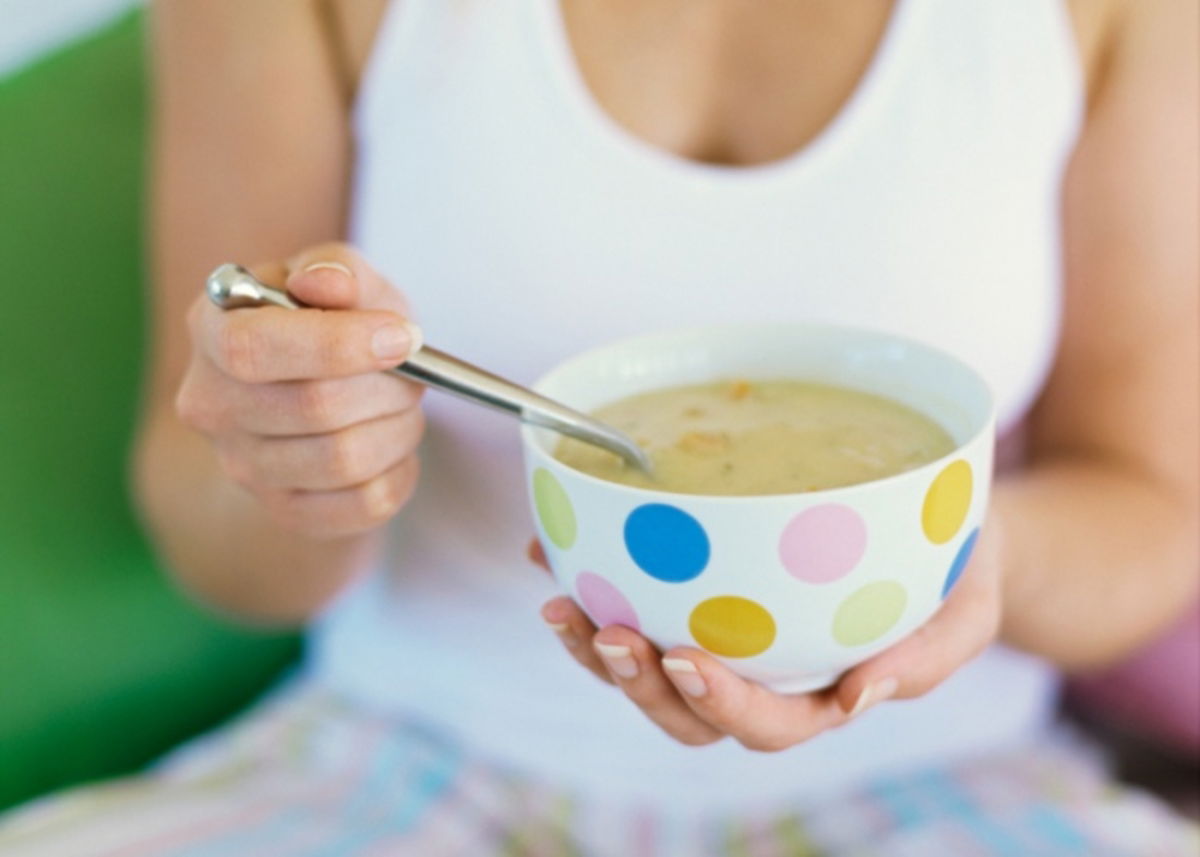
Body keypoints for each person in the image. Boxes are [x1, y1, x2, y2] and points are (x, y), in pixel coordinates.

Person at [2, 0, 1197, 854]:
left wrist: (973, 560)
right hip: (410, 754)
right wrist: (291, 455)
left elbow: (1152, 511)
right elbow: (221, 550)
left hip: (938, 777)